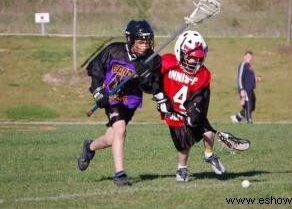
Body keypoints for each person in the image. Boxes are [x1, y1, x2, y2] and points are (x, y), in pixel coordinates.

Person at [77, 20, 163, 187]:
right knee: (120, 129)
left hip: (130, 102)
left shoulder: (152, 60)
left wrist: (146, 77)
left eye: (147, 41)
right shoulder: (114, 50)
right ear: (130, 40)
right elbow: (95, 69)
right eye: (140, 41)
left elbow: (152, 87)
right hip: (112, 98)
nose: (145, 46)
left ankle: (90, 147)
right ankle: (120, 175)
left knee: (111, 138)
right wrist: (97, 92)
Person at [156, 30, 250, 182]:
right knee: (184, 146)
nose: (194, 61)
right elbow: (152, 79)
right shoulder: (167, 62)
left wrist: (195, 111)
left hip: (191, 109)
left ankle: (209, 154)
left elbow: (201, 97)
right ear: (180, 51)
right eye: (191, 56)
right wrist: (159, 97)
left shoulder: (203, 74)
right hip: (173, 112)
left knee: (208, 134)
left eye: (198, 57)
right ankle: (182, 168)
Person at [230, 51, 261, 124]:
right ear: (244, 57)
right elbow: (240, 78)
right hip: (245, 89)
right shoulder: (243, 64)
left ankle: (237, 117)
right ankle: (249, 121)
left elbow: (248, 77)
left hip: (251, 88)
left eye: (250, 57)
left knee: (252, 106)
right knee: (248, 105)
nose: (249, 58)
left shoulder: (249, 66)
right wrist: (242, 89)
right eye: (248, 56)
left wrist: (255, 79)